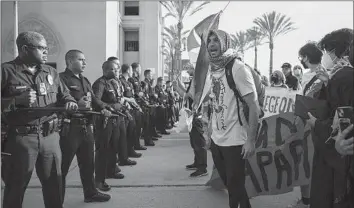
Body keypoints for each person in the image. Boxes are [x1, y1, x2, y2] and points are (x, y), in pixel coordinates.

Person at [1, 31, 78, 208]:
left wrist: (70, 102)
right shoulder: (6, 71)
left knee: (54, 186)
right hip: (22, 139)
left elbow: (64, 95)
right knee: (15, 188)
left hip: (50, 137)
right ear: (25, 49)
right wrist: (15, 101)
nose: (46, 52)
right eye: (42, 48)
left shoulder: (50, 72)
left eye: (46, 48)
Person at [207, 29, 258, 208]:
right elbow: (214, 104)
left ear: (225, 43)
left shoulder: (237, 67)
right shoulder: (212, 68)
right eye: (209, 40)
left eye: (216, 40)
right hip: (217, 139)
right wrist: (209, 132)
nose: (212, 44)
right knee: (232, 185)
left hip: (235, 139)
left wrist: (250, 140)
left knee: (234, 188)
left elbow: (253, 105)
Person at [307, 28, 353, 208]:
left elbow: (343, 124)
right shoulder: (337, 76)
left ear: (338, 51)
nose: (325, 56)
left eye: (326, 51)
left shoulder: (343, 77)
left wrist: (316, 124)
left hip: (336, 161)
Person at [59, 50, 111, 202]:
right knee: (62, 166)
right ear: (69, 61)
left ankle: (90, 193)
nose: (85, 63)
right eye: (81, 60)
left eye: (85, 60)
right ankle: (56, 200)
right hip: (70, 128)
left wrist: (103, 108)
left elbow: (94, 99)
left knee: (88, 163)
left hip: (86, 127)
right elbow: (58, 100)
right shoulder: (61, 79)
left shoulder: (85, 80)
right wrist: (75, 104)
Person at [184, 79, 208, 178]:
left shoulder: (199, 84)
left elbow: (198, 98)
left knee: (199, 142)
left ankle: (202, 168)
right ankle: (197, 162)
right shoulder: (194, 81)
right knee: (194, 141)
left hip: (196, 115)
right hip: (191, 114)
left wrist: (186, 93)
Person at [120, 64, 144, 157]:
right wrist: (129, 100)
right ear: (127, 70)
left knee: (132, 131)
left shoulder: (128, 83)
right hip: (125, 110)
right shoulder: (121, 81)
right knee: (126, 134)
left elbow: (132, 96)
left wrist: (137, 106)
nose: (132, 72)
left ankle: (130, 150)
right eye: (130, 70)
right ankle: (125, 154)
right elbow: (121, 97)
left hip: (132, 108)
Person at [129, 62, 147, 150]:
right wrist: (138, 94)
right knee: (135, 128)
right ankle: (134, 145)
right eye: (139, 68)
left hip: (139, 105)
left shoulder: (137, 79)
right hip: (134, 106)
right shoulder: (131, 79)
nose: (140, 70)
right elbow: (132, 93)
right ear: (136, 69)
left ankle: (137, 144)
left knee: (139, 126)